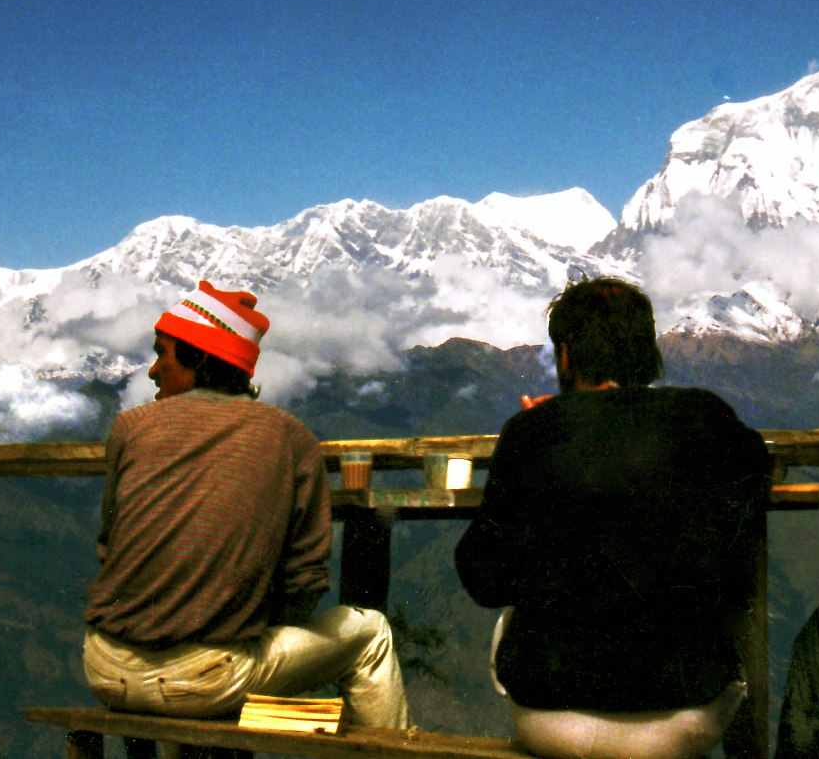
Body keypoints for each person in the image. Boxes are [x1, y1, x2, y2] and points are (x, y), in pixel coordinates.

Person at [456, 277, 770, 759]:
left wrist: (553, 428)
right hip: (681, 719)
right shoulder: (704, 417)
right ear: (648, 352)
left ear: (564, 355)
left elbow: (485, 580)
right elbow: (755, 468)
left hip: (550, 717)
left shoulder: (530, 431)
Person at [82, 281, 409, 730]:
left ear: (197, 358)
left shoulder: (130, 427)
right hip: (205, 680)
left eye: (163, 353)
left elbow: (109, 548)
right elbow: (305, 580)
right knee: (370, 633)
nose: (154, 370)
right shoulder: (291, 438)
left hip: (104, 669)